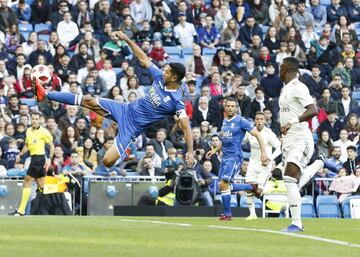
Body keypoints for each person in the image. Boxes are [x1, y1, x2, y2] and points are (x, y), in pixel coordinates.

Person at [32, 31, 194, 168]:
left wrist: (190, 152)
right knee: (89, 100)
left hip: (131, 128)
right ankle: (45, 94)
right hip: (125, 108)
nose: (163, 71)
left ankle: (126, 153)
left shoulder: (177, 101)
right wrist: (126, 39)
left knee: (107, 162)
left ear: (174, 77)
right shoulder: (160, 77)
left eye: (167, 72)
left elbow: (186, 128)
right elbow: (144, 59)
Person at [207, 97, 268, 221]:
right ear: (225, 107)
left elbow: (258, 135)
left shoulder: (241, 121)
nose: (230, 108)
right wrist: (214, 150)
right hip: (225, 157)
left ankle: (228, 214)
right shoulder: (224, 121)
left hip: (235, 157)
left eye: (232, 106)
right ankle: (251, 187)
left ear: (236, 108)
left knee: (224, 184)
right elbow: (224, 140)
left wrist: (263, 152)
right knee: (222, 185)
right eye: (228, 106)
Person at [279, 57, 318, 232]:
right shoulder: (285, 89)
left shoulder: (299, 87)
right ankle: (319, 163)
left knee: (289, 177)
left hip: (301, 138)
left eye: (280, 67)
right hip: (289, 140)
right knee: (292, 180)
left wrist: (292, 122)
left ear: (285, 68)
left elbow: (313, 109)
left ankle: (296, 223)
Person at [9, 112, 55, 216]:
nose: (34, 120)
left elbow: (52, 146)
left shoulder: (44, 132)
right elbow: (27, 145)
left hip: (39, 158)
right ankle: (55, 208)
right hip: (33, 158)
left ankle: (21, 210)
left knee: (27, 180)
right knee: (42, 186)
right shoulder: (29, 131)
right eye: (33, 119)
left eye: (36, 119)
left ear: (39, 120)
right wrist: (20, 155)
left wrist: (49, 159)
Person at [243, 112, 282, 220]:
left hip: (264, 166)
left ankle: (270, 194)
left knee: (258, 191)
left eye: (261, 119)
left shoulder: (269, 134)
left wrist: (270, 158)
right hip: (252, 164)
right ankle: (252, 214)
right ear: (255, 121)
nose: (259, 121)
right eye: (257, 119)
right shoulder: (250, 132)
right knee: (248, 189)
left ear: (265, 121)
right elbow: (242, 142)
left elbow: (279, 147)